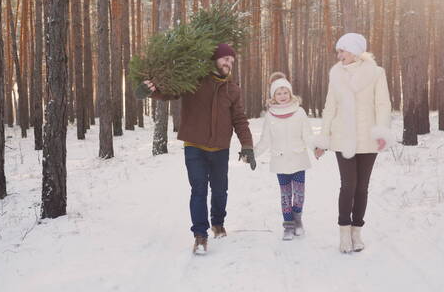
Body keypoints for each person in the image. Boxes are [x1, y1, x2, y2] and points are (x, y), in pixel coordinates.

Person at [141, 43, 256, 255]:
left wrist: (247, 145)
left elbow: (239, 119)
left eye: (231, 60)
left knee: (221, 190)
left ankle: (218, 223)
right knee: (199, 190)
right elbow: (170, 92)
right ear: (215, 59)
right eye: (225, 59)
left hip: (220, 148)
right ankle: (200, 236)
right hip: (194, 146)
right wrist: (152, 90)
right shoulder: (195, 80)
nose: (228, 63)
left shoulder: (233, 89)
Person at [314, 33, 393, 253]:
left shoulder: (377, 73)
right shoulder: (336, 75)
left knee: (362, 187)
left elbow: (383, 104)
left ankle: (357, 232)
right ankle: (344, 233)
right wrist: (323, 139)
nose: (339, 55)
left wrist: (382, 132)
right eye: (338, 51)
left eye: (343, 51)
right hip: (342, 138)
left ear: (356, 51)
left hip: (368, 138)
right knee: (348, 185)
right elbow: (330, 108)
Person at [254, 72, 314, 240]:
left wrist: (317, 147)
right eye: (278, 93)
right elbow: (265, 140)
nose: (282, 96)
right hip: (280, 160)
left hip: (298, 158)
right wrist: (253, 154)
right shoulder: (270, 115)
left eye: (285, 92)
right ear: (273, 96)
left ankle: (298, 220)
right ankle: (288, 225)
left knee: (299, 194)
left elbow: (308, 136)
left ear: (290, 93)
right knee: (286, 194)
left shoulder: (300, 112)